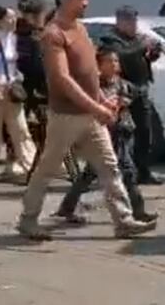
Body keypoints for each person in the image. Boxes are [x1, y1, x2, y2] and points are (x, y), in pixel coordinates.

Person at [17, 0, 157, 241]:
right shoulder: (53, 34)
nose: (85, 4)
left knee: (109, 166)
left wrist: (101, 100)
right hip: (66, 116)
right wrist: (96, 106)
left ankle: (123, 219)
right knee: (47, 168)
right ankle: (28, 220)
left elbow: (89, 72)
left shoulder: (79, 29)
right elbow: (63, 79)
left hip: (90, 115)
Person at [54, 46, 158, 224]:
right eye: (109, 61)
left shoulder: (122, 84)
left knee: (121, 171)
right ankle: (136, 211)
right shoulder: (93, 85)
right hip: (102, 134)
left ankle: (67, 207)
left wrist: (127, 101)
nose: (114, 64)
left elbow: (136, 96)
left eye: (116, 61)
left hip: (121, 133)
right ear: (99, 65)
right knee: (112, 171)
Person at [101, 6, 163, 185]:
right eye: (130, 21)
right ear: (120, 22)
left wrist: (152, 53)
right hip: (120, 91)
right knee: (119, 133)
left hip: (140, 89)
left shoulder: (137, 39)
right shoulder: (111, 39)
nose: (134, 25)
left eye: (135, 21)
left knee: (145, 130)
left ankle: (143, 170)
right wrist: (142, 45)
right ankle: (116, 172)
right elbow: (122, 55)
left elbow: (142, 57)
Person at [0, 5, 36, 180]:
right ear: (0, 20)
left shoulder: (13, 38)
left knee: (20, 129)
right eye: (9, 18)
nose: (13, 21)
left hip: (11, 88)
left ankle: (30, 165)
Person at [15, 0, 48, 171]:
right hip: (30, 87)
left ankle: (22, 159)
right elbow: (37, 66)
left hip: (24, 86)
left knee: (23, 127)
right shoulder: (33, 37)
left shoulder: (17, 33)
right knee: (25, 127)